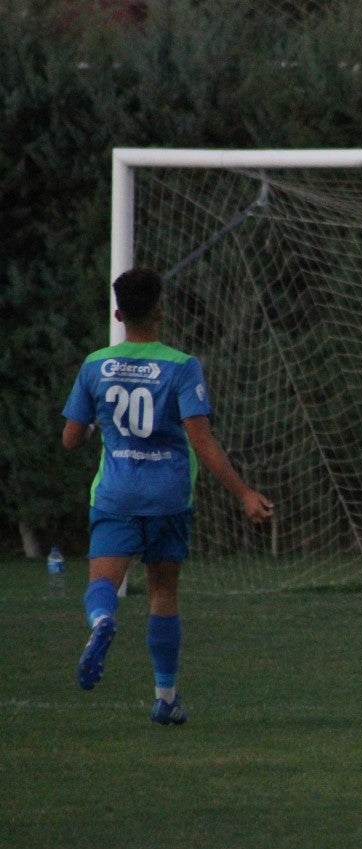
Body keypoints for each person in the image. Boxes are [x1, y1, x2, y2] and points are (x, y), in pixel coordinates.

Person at [61, 267, 274, 725]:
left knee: (102, 583)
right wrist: (244, 493)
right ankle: (166, 697)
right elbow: (202, 440)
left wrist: (101, 418)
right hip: (168, 496)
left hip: (115, 494)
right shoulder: (180, 365)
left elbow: (70, 439)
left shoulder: (95, 365)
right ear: (160, 310)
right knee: (162, 591)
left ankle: (101, 622)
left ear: (118, 313)